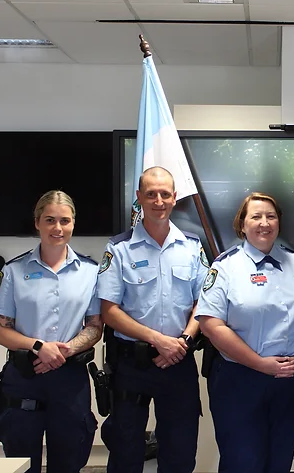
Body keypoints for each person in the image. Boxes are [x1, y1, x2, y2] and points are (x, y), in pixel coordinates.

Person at [196, 192, 294, 473]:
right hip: (241, 380)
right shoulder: (225, 266)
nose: (264, 222)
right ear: (242, 225)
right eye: (255, 216)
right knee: (243, 462)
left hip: (290, 380)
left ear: (279, 222)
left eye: (271, 216)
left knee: (280, 461)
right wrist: (259, 364)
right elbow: (211, 324)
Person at [97, 166, 209, 473]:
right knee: (126, 452)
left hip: (179, 362)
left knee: (180, 452)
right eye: (150, 194)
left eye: (164, 194)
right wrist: (158, 340)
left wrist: (184, 340)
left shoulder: (192, 246)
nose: (158, 200)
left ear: (175, 198)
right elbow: (109, 310)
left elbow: (205, 301)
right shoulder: (118, 248)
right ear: (139, 198)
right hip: (132, 365)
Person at [0, 190, 102, 473]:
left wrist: (66, 350)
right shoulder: (14, 271)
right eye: (50, 220)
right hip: (25, 376)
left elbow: (95, 325)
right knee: (21, 462)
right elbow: (3, 331)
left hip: (70, 379)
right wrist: (40, 346)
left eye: (64, 220)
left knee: (69, 460)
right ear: (37, 222)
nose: (58, 228)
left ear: (73, 223)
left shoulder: (91, 272)